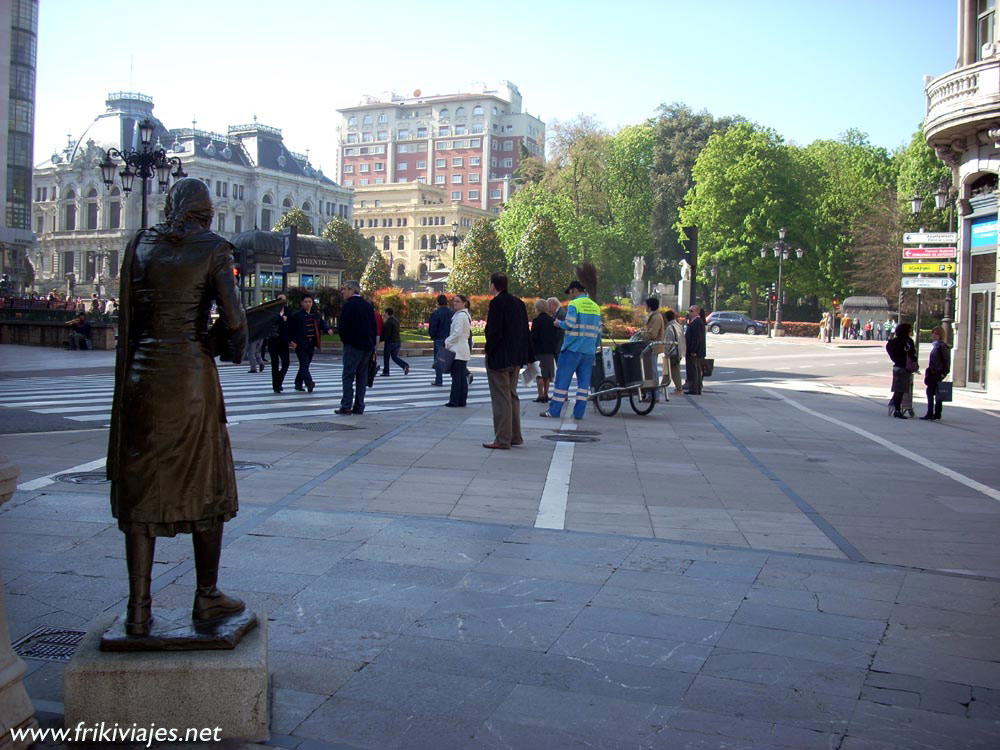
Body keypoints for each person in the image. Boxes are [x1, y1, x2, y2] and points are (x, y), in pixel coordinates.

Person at [107, 177, 248, 636]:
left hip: (142, 379)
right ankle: (206, 595)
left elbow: (127, 320)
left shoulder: (139, 246)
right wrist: (236, 336)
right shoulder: (215, 249)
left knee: (143, 483)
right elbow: (233, 323)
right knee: (207, 481)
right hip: (189, 379)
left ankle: (139, 607)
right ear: (205, 210)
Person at [484, 272, 532, 448]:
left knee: (501, 398)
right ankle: (515, 435)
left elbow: (494, 332)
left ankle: (502, 439)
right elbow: (525, 331)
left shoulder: (497, 303)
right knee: (512, 396)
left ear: (494, 285)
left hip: (500, 357)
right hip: (516, 356)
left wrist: (489, 350)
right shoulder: (519, 303)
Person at [543, 280, 602, 420]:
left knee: (562, 381)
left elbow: (569, 324)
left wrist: (558, 323)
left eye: (570, 292)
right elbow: (599, 332)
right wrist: (593, 348)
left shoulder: (574, 304)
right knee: (583, 384)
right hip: (588, 351)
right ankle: (579, 413)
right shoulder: (595, 307)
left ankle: (554, 411)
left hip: (572, 349)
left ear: (575, 290)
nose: (570, 296)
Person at [336, 280, 377, 415]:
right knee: (362, 377)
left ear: (352, 290)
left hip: (353, 345)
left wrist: (346, 341)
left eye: (344, 289)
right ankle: (359, 405)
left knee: (348, 375)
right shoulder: (367, 305)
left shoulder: (349, 305)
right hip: (367, 346)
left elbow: (342, 327)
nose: (342, 291)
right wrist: (372, 346)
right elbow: (373, 327)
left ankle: (346, 405)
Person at [288, 292, 330, 393]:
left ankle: (298, 383)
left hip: (311, 343)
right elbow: (289, 329)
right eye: (306, 302)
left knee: (305, 365)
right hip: (300, 344)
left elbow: (322, 324)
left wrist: (327, 330)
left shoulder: (316, 315)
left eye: (310, 302)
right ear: (301, 303)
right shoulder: (296, 315)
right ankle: (309, 382)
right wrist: (290, 341)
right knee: (304, 363)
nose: (308, 304)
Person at [530, 298, 560, 403]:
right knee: (547, 375)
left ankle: (540, 395)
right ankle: (546, 394)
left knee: (539, 374)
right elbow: (556, 336)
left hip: (539, 351)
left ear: (538, 308)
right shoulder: (552, 320)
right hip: (550, 351)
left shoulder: (536, 321)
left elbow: (533, 337)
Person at [444, 294, 472, 407]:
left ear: (464, 303)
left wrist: (447, 342)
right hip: (461, 348)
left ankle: (455, 400)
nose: (455, 303)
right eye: (454, 301)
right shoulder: (464, 315)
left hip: (458, 349)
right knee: (460, 377)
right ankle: (461, 400)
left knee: (457, 377)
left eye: (458, 301)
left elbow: (457, 333)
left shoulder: (461, 316)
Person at [886, 322, 917, 419]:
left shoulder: (894, 341)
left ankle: (896, 408)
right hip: (904, 367)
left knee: (897, 389)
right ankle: (897, 410)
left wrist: (895, 358)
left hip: (896, 366)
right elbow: (912, 354)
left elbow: (889, 347)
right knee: (900, 390)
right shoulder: (907, 341)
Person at [922, 326, 951, 421]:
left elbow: (946, 361)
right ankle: (936, 413)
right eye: (933, 333)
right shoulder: (936, 346)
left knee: (931, 392)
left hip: (937, 373)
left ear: (940, 335)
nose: (933, 335)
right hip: (933, 372)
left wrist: (943, 373)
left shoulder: (941, 346)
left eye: (936, 333)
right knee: (935, 393)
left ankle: (931, 413)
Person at [428, 294, 453, 386]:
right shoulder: (452, 313)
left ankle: (439, 380)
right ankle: (461, 376)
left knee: (438, 359)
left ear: (438, 302)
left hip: (439, 338)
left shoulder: (436, 313)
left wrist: (433, 336)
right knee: (451, 358)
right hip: (450, 338)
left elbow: (432, 328)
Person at [267, 293, 290, 393]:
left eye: (284, 299)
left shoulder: (288, 311)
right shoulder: (272, 311)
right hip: (273, 340)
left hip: (284, 340)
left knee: (286, 363)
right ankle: (275, 385)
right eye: (280, 299)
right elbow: (271, 321)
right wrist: (281, 319)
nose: (282, 301)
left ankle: (278, 381)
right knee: (275, 363)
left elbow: (290, 323)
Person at [661, 309, 685, 395]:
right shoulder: (679, 325)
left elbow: (668, 342)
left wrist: (666, 353)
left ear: (666, 318)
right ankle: (663, 387)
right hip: (679, 352)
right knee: (670, 371)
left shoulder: (669, 328)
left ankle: (678, 389)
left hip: (672, 353)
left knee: (671, 371)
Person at [380, 308, 410, 376]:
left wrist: (380, 339)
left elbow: (387, 334)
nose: (384, 314)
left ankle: (386, 371)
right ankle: (405, 365)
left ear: (387, 313)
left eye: (385, 313)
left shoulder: (388, 322)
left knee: (386, 357)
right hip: (397, 341)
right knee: (394, 357)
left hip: (390, 342)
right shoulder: (396, 320)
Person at [685, 304, 706, 395]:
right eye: (689, 311)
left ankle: (694, 389)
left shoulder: (697, 322)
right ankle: (696, 388)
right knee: (696, 369)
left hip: (694, 351)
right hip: (695, 351)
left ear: (697, 312)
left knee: (693, 370)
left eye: (691, 311)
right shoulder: (695, 321)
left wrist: (693, 350)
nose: (689, 313)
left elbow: (696, 338)